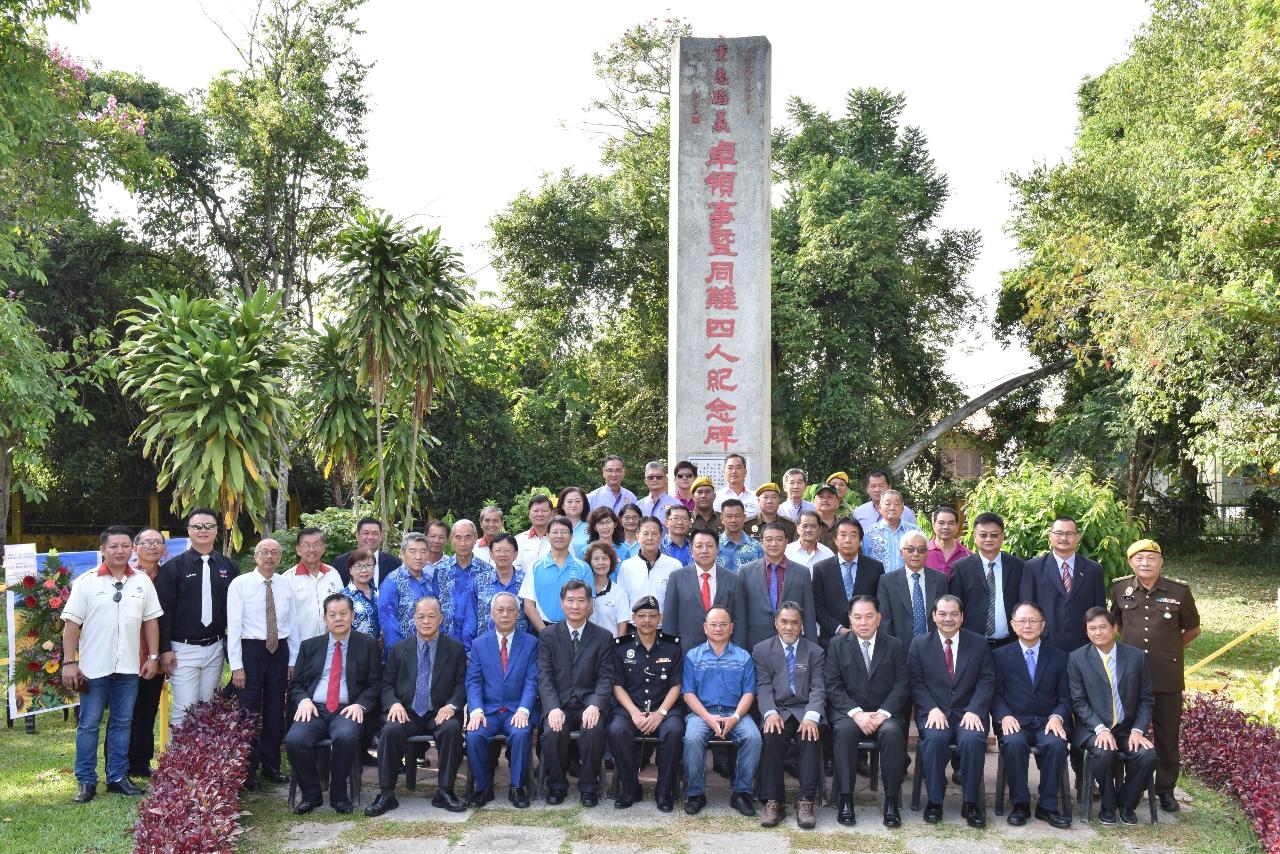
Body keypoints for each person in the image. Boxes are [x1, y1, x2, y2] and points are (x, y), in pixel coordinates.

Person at [62, 525, 163, 803]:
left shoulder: (142, 582)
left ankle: (117, 777)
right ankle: (86, 780)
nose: (120, 551)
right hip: (94, 668)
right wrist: (69, 662)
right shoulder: (86, 582)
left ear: (132, 549)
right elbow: (71, 625)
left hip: (129, 668)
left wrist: (153, 657)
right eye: (113, 546)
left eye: (125, 546)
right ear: (103, 550)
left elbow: (151, 621)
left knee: (122, 723)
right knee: (89, 724)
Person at [1110, 538, 1199, 813]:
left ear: (1161, 562)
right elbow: (1117, 624)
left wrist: (1170, 649)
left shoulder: (1179, 591)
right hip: (1131, 675)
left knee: (1167, 734)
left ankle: (1165, 790)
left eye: (1151, 558)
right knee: (1129, 731)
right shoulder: (1120, 588)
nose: (1145, 563)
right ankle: (1133, 786)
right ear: (1130, 562)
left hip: (1166, 674)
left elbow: (1193, 629)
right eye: (1139, 558)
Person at [364, 597, 468, 816]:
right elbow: (386, 685)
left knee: (451, 730)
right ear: (413, 619)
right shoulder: (399, 649)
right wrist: (393, 704)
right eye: (421, 616)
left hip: (440, 711)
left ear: (440, 619)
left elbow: (462, 685)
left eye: (431, 616)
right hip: (407, 711)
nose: (426, 621)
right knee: (390, 730)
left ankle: (445, 791)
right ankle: (387, 794)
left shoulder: (455, 649)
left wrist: (452, 705)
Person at [285, 593, 382, 814]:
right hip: (315, 709)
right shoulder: (309, 646)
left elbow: (375, 684)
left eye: (343, 613)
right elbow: (296, 684)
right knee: (295, 740)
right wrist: (304, 700)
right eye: (332, 615)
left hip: (347, 709)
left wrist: (360, 705)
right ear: (325, 618)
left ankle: (339, 795)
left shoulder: (367, 645)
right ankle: (311, 795)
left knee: (345, 737)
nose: (338, 619)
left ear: (352, 616)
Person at [908, 594, 995, 828]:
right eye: (943, 614)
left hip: (969, 714)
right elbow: (916, 683)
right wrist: (931, 708)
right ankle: (935, 802)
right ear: (934, 616)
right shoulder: (919, 644)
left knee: (972, 740)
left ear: (962, 617)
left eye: (954, 614)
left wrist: (975, 710)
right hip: (934, 713)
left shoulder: (978, 643)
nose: (948, 619)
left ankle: (971, 803)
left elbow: (987, 680)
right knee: (934, 740)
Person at [1067, 607, 1157, 826]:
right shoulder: (1077, 658)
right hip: (1093, 729)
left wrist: (1138, 729)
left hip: (1128, 729)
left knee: (1148, 755)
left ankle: (1126, 803)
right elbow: (1078, 701)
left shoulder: (1136, 657)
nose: (1098, 632)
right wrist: (1100, 728)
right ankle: (1108, 805)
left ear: (1115, 628)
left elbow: (1146, 698)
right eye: (1092, 628)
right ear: (1087, 631)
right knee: (1103, 752)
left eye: (1103, 627)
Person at [825, 595, 909, 827]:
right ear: (850, 619)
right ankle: (845, 800)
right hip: (849, 712)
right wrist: (856, 713)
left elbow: (902, 684)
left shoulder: (894, 645)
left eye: (869, 616)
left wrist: (883, 713)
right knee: (844, 732)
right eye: (857, 617)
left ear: (879, 618)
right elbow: (832, 685)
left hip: (885, 712)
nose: (863, 622)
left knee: (892, 733)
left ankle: (891, 802)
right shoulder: (837, 645)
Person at [155, 507, 240, 730]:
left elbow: (237, 610)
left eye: (209, 526)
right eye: (197, 526)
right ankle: (178, 754)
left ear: (217, 530)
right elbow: (164, 612)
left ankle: (203, 754)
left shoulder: (229, 567)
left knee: (208, 709)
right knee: (184, 709)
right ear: (189, 530)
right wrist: (165, 649)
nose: (203, 530)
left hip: (215, 647)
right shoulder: (172, 568)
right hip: (182, 650)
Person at [991, 601, 1072, 828]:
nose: (1027, 625)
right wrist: (1004, 715)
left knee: (1056, 744)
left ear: (1043, 624)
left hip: (1047, 722)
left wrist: (1057, 717)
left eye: (1033, 621)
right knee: (1014, 743)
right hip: (1015, 721)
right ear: (1013, 625)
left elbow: (1066, 697)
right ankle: (1020, 804)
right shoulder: (999, 656)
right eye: (1022, 621)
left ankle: (1047, 806)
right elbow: (994, 694)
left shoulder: (1059, 657)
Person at [228, 537, 298, 791]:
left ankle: (271, 765)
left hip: (279, 651)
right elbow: (234, 627)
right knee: (248, 712)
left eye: (274, 552)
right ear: (256, 556)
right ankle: (247, 770)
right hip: (251, 651)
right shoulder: (240, 584)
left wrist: (293, 659)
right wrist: (236, 665)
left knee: (275, 711)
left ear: (280, 557)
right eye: (265, 552)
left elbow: (294, 624)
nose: (269, 556)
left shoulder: (285, 584)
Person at [537, 580, 615, 806]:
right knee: (553, 730)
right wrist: (552, 707)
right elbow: (544, 676)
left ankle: (589, 786)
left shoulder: (603, 637)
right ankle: (556, 785)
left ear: (590, 604)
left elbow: (606, 677)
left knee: (593, 728)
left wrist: (596, 705)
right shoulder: (548, 635)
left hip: (588, 703)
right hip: (559, 702)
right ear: (562, 603)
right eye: (570, 600)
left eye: (581, 600)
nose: (575, 606)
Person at [681, 606, 762, 817]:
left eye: (723, 624)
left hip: (735, 712)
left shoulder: (743, 657)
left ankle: (742, 793)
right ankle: (695, 794)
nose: (718, 628)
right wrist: (708, 718)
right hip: (702, 713)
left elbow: (749, 693)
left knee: (753, 738)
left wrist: (735, 717)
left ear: (731, 628)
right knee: (692, 738)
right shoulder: (693, 656)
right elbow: (688, 693)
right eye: (714, 624)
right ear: (705, 628)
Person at [607, 595, 685, 810]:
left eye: (652, 615)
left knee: (674, 731)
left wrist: (660, 713)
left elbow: (676, 685)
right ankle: (630, 789)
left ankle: (664, 792)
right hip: (631, 707)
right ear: (633, 618)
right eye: (641, 615)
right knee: (616, 731)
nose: (647, 620)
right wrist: (633, 712)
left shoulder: (672, 646)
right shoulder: (620, 647)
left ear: (660, 618)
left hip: (665, 708)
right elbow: (617, 685)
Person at [754, 602, 826, 830]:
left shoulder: (815, 651)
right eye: (784, 622)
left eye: (794, 622)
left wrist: (812, 716)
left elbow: (818, 688)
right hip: (779, 710)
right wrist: (770, 713)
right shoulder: (762, 650)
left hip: (805, 710)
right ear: (776, 623)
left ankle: (805, 801)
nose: (789, 627)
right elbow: (763, 686)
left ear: (802, 624)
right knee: (771, 736)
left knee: (810, 736)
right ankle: (773, 801)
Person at [464, 592, 538, 809]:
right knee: (474, 735)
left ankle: (517, 788)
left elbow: (532, 681)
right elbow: (474, 682)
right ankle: (483, 788)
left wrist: (524, 709)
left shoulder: (531, 643)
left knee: (521, 733)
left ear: (518, 614)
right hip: (488, 710)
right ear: (492, 613)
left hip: (517, 709)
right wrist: (476, 710)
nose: (505, 614)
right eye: (500, 610)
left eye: (510, 610)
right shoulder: (479, 644)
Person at [1020, 515, 1106, 654]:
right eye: (1059, 533)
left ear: (1078, 537)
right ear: (1050, 536)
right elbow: (1027, 607)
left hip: (1083, 645)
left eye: (1069, 534)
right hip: (1045, 644)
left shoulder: (1093, 569)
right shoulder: (1033, 567)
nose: (1064, 538)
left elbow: (1099, 610)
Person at [126, 528, 167, 779]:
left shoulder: (168, 577)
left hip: (155, 655)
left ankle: (141, 763)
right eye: (146, 542)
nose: (152, 546)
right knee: (125, 713)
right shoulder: (126, 576)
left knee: (148, 710)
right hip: (127, 654)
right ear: (136, 548)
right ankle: (119, 765)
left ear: (164, 549)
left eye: (157, 542)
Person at [949, 512, 1024, 649]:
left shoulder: (1019, 566)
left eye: (994, 535)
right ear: (975, 536)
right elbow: (955, 607)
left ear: (1002, 536)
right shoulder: (961, 568)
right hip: (972, 644)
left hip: (1010, 643)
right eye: (983, 535)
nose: (988, 539)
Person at [736, 522, 817, 650]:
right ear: (761, 542)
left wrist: (812, 650)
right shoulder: (746, 572)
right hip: (756, 643)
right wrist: (740, 648)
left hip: (792, 643)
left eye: (779, 539)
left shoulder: (802, 572)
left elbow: (809, 614)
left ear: (786, 542)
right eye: (769, 539)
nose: (774, 544)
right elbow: (740, 614)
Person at [662, 529, 742, 651]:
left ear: (717, 549)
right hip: (686, 650)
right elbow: (670, 620)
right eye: (699, 546)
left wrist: (738, 651)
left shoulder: (733, 579)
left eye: (709, 546)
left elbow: (739, 620)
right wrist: (670, 652)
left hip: (724, 650)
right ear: (691, 550)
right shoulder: (676, 578)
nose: (704, 550)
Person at [812, 519, 884, 644]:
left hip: (868, 636)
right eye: (843, 535)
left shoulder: (875, 567)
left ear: (860, 541)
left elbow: (880, 602)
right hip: (831, 639)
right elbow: (818, 606)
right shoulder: (821, 569)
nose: (848, 540)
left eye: (853, 535)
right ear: (835, 540)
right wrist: (838, 629)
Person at [519, 515, 592, 633]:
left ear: (571, 536)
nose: (559, 535)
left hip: (575, 631)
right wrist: (545, 633)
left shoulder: (583, 567)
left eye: (564, 532)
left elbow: (589, 606)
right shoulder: (535, 567)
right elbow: (528, 606)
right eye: (555, 532)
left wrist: (571, 631)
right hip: (542, 630)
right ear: (547, 535)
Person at [876, 530, 947, 647]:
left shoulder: (940, 579)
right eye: (910, 550)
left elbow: (944, 615)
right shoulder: (887, 581)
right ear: (901, 553)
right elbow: (885, 621)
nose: (916, 554)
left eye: (921, 550)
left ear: (927, 553)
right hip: (900, 648)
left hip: (934, 646)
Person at [378, 532, 436, 655]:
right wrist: (401, 653)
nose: (418, 556)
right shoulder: (392, 581)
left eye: (423, 551)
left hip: (430, 650)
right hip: (403, 654)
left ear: (428, 554)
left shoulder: (430, 580)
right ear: (403, 554)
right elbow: (388, 622)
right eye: (412, 551)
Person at [617, 517, 682, 620]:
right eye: (645, 534)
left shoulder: (674, 565)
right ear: (638, 536)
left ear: (660, 537)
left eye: (654, 534)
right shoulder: (627, 566)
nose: (650, 538)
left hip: (665, 625)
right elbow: (621, 602)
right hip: (634, 626)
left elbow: (679, 601)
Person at [288, 527, 345, 643]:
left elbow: (343, 607)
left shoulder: (333, 574)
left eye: (316, 544)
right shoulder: (288, 579)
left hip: (332, 644)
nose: (312, 549)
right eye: (306, 545)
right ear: (298, 549)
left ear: (323, 548)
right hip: (301, 645)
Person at [436, 520, 482, 650]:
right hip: (444, 644)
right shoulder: (440, 571)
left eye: (468, 537)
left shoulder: (486, 572)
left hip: (476, 645)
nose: (462, 543)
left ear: (475, 538)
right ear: (451, 539)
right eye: (458, 537)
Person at [474, 533, 529, 637]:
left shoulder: (526, 580)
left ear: (515, 554)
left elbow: (532, 613)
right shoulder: (479, 581)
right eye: (498, 550)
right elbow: (471, 615)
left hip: (519, 642)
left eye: (507, 550)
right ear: (491, 554)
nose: (502, 554)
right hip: (486, 642)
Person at [334, 516, 402, 587]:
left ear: (381, 536)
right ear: (357, 535)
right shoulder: (341, 562)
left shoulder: (395, 563)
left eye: (375, 533)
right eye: (366, 533)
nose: (370, 537)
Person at [864, 490, 922, 574]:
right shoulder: (869, 534)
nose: (892, 508)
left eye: (897, 504)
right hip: (878, 581)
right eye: (887, 504)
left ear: (902, 509)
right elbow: (864, 561)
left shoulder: (915, 532)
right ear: (879, 508)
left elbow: (923, 558)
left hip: (908, 580)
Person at [585, 542, 630, 636]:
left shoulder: (619, 593)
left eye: (605, 558)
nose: (601, 563)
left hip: (611, 643)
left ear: (611, 562)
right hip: (586, 644)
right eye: (596, 559)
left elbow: (622, 629)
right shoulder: (583, 590)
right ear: (589, 563)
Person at [853, 470, 919, 533]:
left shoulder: (907, 513)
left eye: (881, 486)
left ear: (889, 487)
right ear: (867, 489)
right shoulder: (859, 513)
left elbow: (916, 537)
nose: (877, 489)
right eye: (873, 486)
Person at [341, 548, 380, 644]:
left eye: (368, 565)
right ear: (350, 570)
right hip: (355, 648)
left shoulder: (379, 593)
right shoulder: (343, 597)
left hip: (380, 649)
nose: (364, 570)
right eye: (358, 566)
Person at [716, 498, 762, 573]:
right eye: (729, 516)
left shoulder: (757, 547)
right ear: (722, 519)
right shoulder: (713, 545)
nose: (733, 520)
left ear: (744, 517)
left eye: (737, 516)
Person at [926, 506, 971, 580]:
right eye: (941, 523)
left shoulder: (968, 555)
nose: (946, 527)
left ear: (957, 527)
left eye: (951, 523)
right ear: (933, 526)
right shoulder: (922, 553)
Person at [637, 461, 680, 530]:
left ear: (666, 479)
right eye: (650, 477)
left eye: (659, 477)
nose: (655, 480)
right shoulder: (639, 505)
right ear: (645, 481)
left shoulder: (676, 504)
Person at [714, 453, 760, 518]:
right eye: (730, 468)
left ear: (745, 472)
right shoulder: (715, 498)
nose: (734, 471)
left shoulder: (757, 498)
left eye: (738, 467)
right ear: (724, 472)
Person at [515, 494, 553, 572]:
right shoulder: (518, 540)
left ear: (551, 513)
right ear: (529, 514)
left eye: (544, 511)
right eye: (536, 511)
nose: (540, 514)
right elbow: (515, 568)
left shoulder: (560, 539)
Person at [557, 486, 591, 559]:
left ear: (584, 504)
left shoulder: (592, 526)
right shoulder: (554, 527)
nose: (574, 505)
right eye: (569, 501)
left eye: (578, 501)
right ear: (562, 505)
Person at [812, 484, 840, 550]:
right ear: (814, 501)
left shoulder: (845, 524)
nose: (825, 500)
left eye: (830, 497)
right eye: (821, 497)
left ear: (837, 502)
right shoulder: (805, 525)